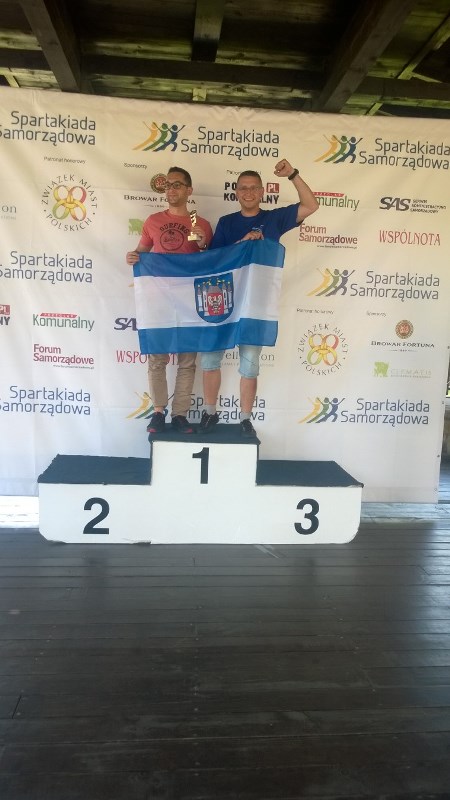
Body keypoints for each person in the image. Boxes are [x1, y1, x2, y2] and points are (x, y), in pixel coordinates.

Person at [199, 158, 319, 437]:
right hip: (223, 301)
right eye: (243, 188)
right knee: (210, 360)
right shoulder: (226, 222)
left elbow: (311, 205)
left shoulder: (274, 218)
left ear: (263, 191)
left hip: (256, 303)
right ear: (236, 192)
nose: (249, 192)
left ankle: (245, 419)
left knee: (250, 364)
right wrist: (242, 243)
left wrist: (293, 174)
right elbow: (214, 261)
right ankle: (209, 412)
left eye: (254, 187)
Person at [126, 167, 213, 434]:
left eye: (177, 184)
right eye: (168, 185)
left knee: (187, 361)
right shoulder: (153, 221)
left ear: (189, 190)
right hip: (158, 299)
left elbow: (211, 261)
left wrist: (203, 245)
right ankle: (158, 412)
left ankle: (180, 415)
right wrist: (133, 256)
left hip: (190, 301)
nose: (171, 189)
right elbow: (141, 252)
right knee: (157, 358)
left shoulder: (201, 224)